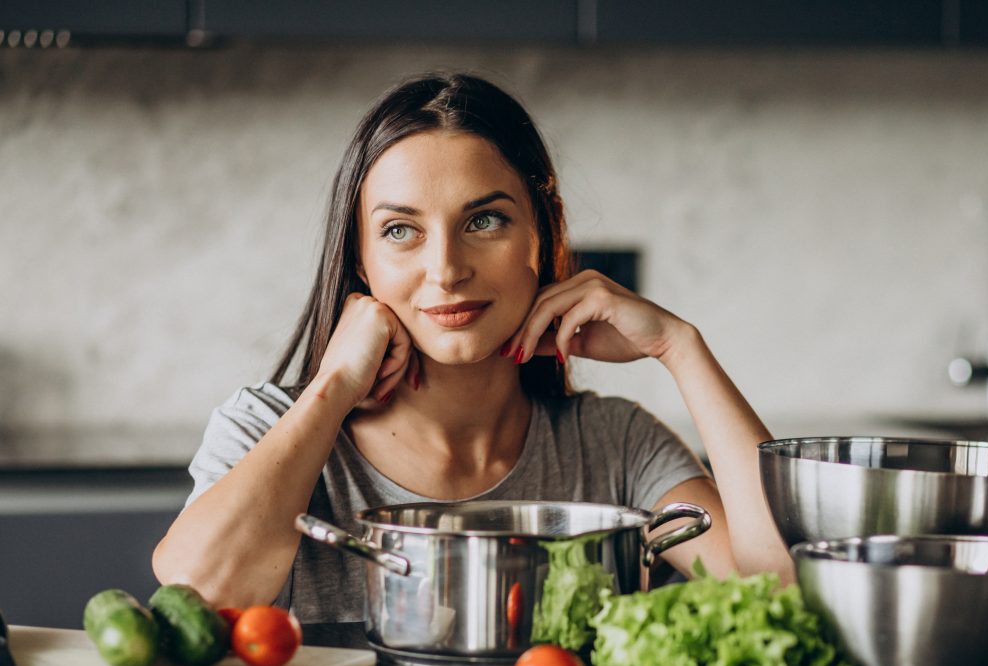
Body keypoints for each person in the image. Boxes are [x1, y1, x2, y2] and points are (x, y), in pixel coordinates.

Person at [152, 73, 788, 622]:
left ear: (542, 235)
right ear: (361, 260)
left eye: (484, 221)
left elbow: (782, 595)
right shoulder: (263, 427)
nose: (447, 269)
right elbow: (197, 598)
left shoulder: (614, 446)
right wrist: (333, 386)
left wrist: (680, 347)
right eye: (400, 230)